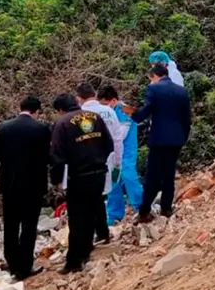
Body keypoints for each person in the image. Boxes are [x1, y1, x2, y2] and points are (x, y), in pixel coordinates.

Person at [49, 94, 114, 274]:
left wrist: (56, 180)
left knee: (77, 219)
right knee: (92, 212)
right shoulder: (95, 117)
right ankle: (86, 250)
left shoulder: (62, 123)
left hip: (78, 176)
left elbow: (56, 155)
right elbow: (109, 145)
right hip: (99, 173)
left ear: (60, 109)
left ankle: (74, 262)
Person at [0, 96, 52, 281]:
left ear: (21, 107)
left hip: (9, 185)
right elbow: (47, 156)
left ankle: (12, 263)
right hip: (33, 185)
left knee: (10, 225)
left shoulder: (4, 127)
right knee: (28, 227)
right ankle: (24, 267)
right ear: (37, 112)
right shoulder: (41, 129)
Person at [131, 63, 192, 223]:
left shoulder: (154, 89)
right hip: (176, 139)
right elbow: (187, 119)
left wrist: (134, 115)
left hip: (159, 140)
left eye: (151, 78)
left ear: (155, 76)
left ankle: (144, 211)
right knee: (169, 173)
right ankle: (166, 208)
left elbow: (147, 110)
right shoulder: (182, 91)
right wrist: (183, 137)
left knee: (152, 175)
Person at [75, 82, 124, 244]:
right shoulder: (109, 111)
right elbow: (117, 138)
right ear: (94, 94)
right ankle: (103, 231)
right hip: (108, 159)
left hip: (87, 163)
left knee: (89, 200)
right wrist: (118, 160)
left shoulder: (80, 115)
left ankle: (93, 234)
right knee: (102, 195)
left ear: (78, 98)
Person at [98, 85, 144, 226]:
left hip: (126, 152)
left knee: (129, 177)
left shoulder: (124, 111)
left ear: (113, 100)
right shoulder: (109, 112)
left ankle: (141, 207)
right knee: (113, 182)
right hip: (114, 153)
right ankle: (114, 214)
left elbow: (120, 134)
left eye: (105, 104)